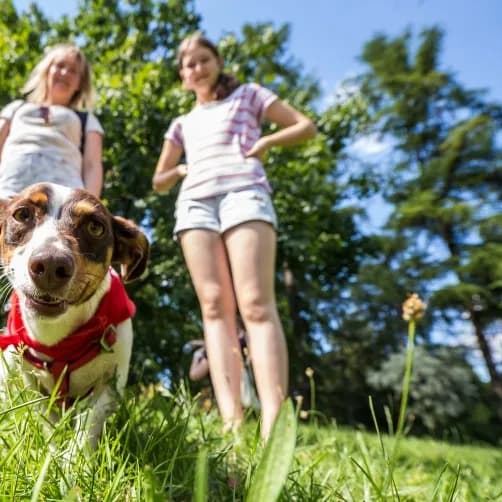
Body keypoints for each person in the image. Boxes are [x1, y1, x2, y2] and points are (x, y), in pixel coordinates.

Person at [151, 33, 317, 439]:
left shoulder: (249, 95)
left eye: (204, 60)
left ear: (218, 61)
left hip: (244, 194)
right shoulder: (182, 124)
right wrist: (179, 171)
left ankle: (275, 427)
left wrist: (266, 141)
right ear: (183, 77)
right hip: (195, 206)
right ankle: (232, 422)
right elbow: (158, 181)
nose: (197, 69)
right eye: (189, 65)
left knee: (256, 305)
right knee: (213, 308)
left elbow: (305, 126)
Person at [0, 43, 104, 369]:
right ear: (46, 69)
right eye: (59, 65)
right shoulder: (16, 108)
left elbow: (94, 163)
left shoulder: (86, 119)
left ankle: (45, 365)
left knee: (50, 265)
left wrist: (86, 205)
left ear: (80, 82)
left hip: (60, 197)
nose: (64, 73)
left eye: (73, 70)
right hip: (9, 186)